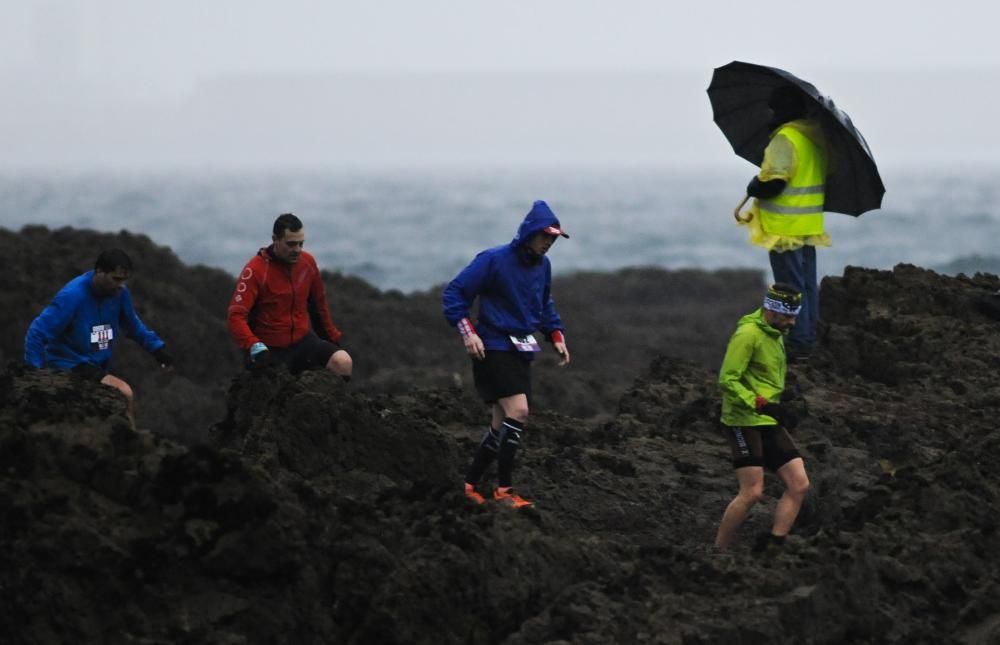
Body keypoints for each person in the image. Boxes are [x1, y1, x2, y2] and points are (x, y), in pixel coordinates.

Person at [442, 200, 571, 509]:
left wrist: (555, 335)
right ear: (529, 233)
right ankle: (504, 492)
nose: (548, 244)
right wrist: (468, 332)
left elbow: (544, 304)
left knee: (502, 423)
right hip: (493, 347)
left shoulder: (543, 266)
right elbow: (454, 293)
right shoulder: (494, 260)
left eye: (553, 239)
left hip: (522, 350)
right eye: (545, 237)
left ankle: (470, 484)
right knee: (520, 411)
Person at [734, 86, 830, 360]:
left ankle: (798, 343)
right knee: (807, 285)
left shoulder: (786, 138)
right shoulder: (815, 139)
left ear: (785, 110)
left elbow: (774, 183)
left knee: (790, 285)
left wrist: (754, 186)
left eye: (775, 108)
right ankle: (808, 337)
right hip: (808, 225)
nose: (771, 113)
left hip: (784, 227)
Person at [23, 248, 173, 422]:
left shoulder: (119, 294)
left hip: (97, 365)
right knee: (124, 393)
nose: (121, 285)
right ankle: (131, 441)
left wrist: (159, 351)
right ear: (99, 272)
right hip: (70, 364)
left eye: (124, 280)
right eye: (116, 279)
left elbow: (133, 327)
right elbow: (37, 333)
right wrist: (35, 376)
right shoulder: (73, 296)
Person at [714, 283, 811, 551]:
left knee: (799, 484)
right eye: (788, 316)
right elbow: (727, 379)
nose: (792, 323)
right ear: (772, 309)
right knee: (752, 492)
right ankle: (718, 552)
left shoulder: (775, 332)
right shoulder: (748, 334)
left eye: (795, 316)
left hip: (767, 419)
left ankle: (773, 546)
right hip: (743, 420)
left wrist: (779, 404)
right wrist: (759, 404)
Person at [227, 213, 353, 379]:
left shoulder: (307, 263)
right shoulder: (255, 271)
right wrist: (254, 346)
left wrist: (332, 338)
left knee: (343, 361)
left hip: (302, 343)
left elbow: (319, 307)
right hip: (269, 349)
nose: (298, 250)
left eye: (301, 244)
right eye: (291, 244)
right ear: (275, 239)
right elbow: (235, 316)